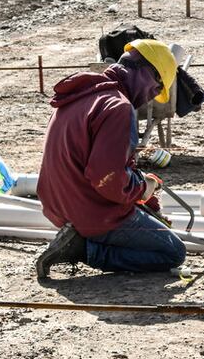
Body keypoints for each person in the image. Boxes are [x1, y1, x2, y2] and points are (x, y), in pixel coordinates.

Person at [35, 39, 186, 279]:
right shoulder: (117, 107)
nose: (151, 97)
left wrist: (144, 201)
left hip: (58, 206)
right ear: (149, 75)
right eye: (156, 89)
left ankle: (81, 238)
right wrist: (141, 188)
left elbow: (103, 168)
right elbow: (109, 180)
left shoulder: (83, 95)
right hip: (91, 213)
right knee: (172, 252)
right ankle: (85, 249)